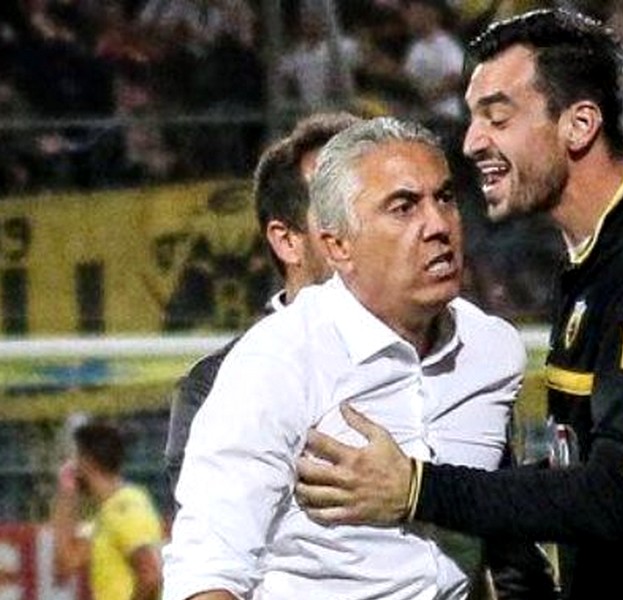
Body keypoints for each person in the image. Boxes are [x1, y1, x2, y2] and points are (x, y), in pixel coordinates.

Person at [294, 9, 623, 600]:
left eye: (497, 117)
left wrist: (419, 489)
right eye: (473, 117)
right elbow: (583, 469)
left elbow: (622, 495)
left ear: (579, 125)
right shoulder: (601, 258)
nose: (472, 142)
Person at [162, 116, 547, 600]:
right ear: (338, 246)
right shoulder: (276, 362)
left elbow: (506, 544)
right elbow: (207, 569)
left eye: (445, 198)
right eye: (403, 207)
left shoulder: (492, 353)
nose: (438, 225)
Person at [163, 111, 361, 497]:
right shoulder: (214, 386)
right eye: (341, 208)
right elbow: (211, 524)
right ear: (287, 241)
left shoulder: (455, 350)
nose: (370, 225)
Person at [51, 421, 163, 600]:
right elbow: (65, 564)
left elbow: (150, 576)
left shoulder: (125, 507)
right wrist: (66, 494)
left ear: (87, 461)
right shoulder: (106, 512)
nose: (72, 465)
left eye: (76, 458)